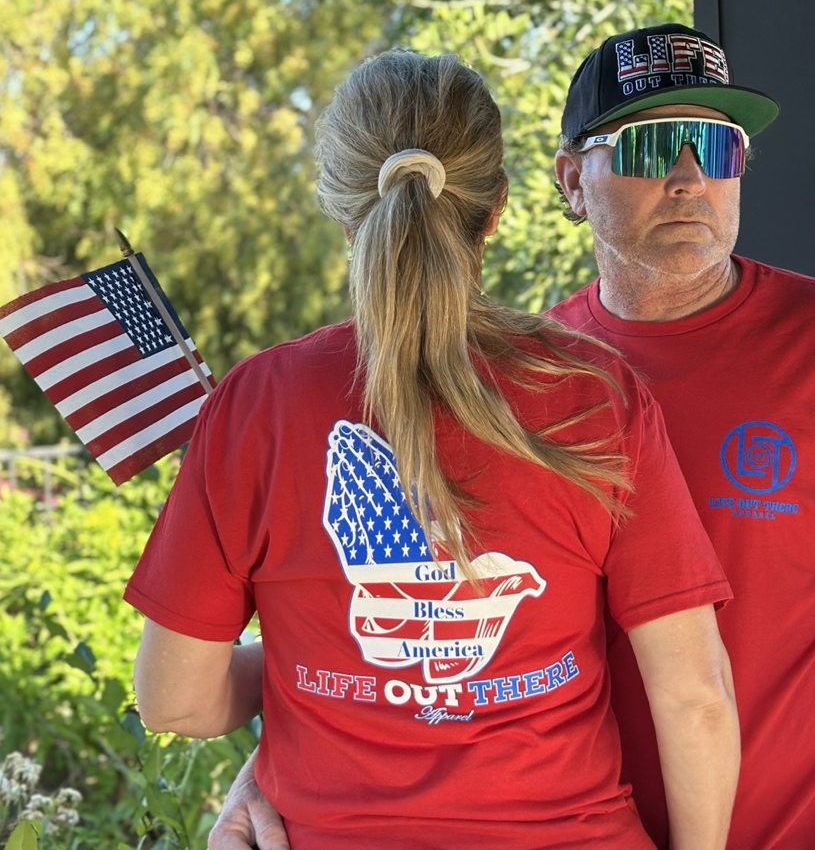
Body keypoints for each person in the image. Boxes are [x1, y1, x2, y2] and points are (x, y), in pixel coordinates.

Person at [207, 25, 815, 850]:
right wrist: (269, 767)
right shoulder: (529, 390)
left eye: (717, 148)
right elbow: (431, 636)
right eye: (653, 147)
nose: (690, 179)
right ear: (569, 182)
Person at [124, 50, 740, 850]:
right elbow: (695, 698)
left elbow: (174, 701)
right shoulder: (592, 394)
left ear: (341, 209)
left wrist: (299, 649)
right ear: (498, 208)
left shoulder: (259, 404)